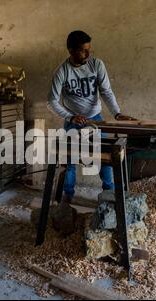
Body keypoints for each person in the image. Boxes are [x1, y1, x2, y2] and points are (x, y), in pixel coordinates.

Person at [47, 30, 129, 203]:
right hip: (73, 122)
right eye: (82, 50)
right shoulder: (62, 72)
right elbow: (52, 102)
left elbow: (106, 91)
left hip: (95, 118)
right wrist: (70, 117)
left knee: (105, 157)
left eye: (89, 49)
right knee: (70, 161)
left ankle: (109, 194)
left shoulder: (96, 65)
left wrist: (117, 112)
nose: (87, 54)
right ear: (70, 50)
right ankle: (67, 197)